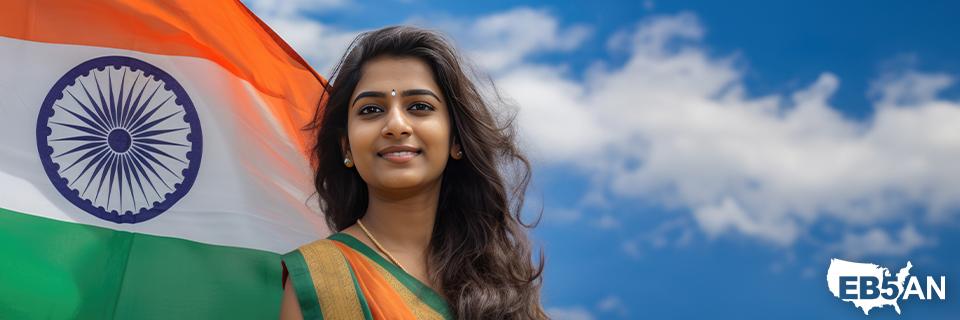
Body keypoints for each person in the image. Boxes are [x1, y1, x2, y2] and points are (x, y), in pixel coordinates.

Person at [279, 26, 546, 319]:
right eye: (370, 110)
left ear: (456, 140)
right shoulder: (322, 279)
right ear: (347, 147)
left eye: (419, 106)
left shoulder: (503, 282)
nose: (396, 125)